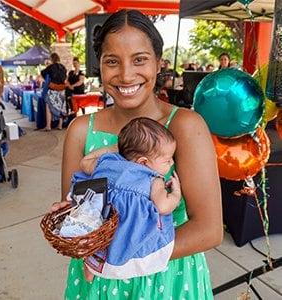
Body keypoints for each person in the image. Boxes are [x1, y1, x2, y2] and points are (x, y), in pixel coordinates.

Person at [52, 9, 222, 299]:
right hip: (99, 284)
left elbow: (208, 230)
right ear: (100, 67)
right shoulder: (82, 130)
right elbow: (82, 216)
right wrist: (68, 219)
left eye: (140, 59)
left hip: (167, 280)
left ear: (158, 62)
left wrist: (124, 260)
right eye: (112, 61)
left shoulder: (184, 126)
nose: (126, 74)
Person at [72, 117, 181, 281]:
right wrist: (176, 194)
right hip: (126, 238)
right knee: (136, 237)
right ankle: (121, 269)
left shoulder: (109, 162)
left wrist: (114, 148)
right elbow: (163, 206)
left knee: (97, 236)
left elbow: (85, 163)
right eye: (167, 160)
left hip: (101, 227)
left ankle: (91, 265)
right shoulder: (153, 179)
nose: (172, 162)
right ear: (143, 162)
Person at [40, 52, 67, 131]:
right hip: (62, 89)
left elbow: (42, 73)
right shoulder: (63, 67)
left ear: (52, 59)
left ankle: (48, 126)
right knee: (61, 107)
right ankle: (60, 125)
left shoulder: (51, 67)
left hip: (53, 89)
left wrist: (47, 78)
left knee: (48, 106)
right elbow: (64, 77)